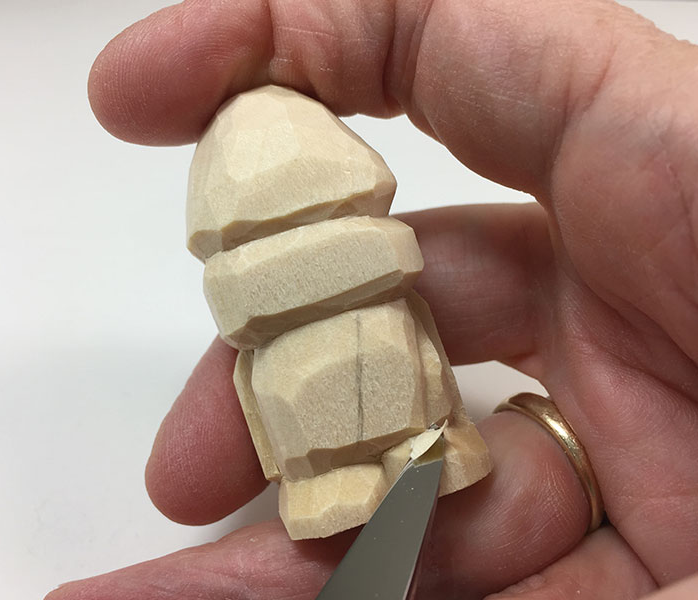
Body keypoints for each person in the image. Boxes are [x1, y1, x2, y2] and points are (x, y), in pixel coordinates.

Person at [48, 0, 698, 598]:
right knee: (311, 419)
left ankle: (414, 453)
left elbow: (420, 339)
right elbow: (253, 385)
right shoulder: (262, 324)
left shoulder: (382, 285)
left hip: (412, 416)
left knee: (406, 390)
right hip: (313, 428)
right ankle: (338, 482)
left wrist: (446, 424)